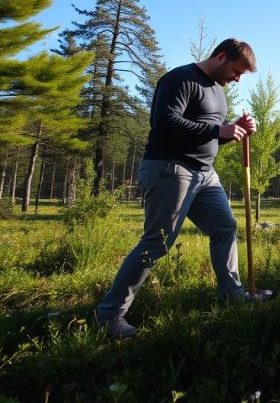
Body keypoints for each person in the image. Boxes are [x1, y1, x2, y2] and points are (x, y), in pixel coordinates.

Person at [96, 39, 270, 338]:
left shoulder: (218, 91)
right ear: (220, 56)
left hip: (205, 174)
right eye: (236, 71)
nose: (237, 79)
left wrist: (234, 130)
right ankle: (110, 315)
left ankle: (231, 293)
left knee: (224, 227)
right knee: (157, 242)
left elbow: (209, 133)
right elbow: (165, 123)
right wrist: (219, 129)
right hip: (170, 168)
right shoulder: (180, 79)